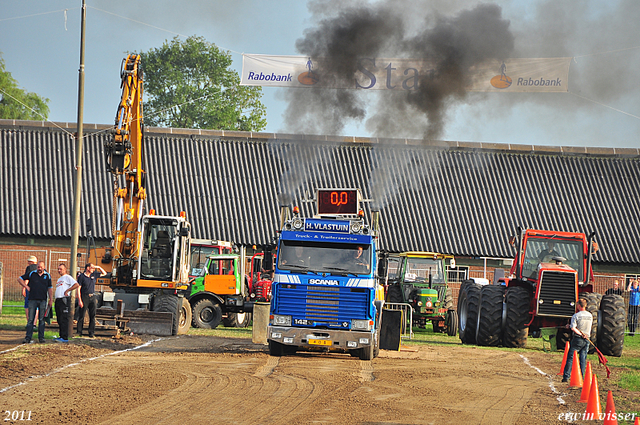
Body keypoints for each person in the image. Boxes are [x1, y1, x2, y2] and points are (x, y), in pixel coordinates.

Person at [18, 261, 53, 344]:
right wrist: (26, 287)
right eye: (38, 267)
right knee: (30, 320)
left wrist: (51, 299)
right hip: (32, 300)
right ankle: (28, 337)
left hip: (43, 300)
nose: (39, 268)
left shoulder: (47, 276)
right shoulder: (32, 274)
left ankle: (41, 337)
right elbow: (19, 279)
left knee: (41, 320)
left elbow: (50, 288)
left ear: (44, 267)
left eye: (41, 267)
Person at [562, 298, 593, 383]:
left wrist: (579, 333)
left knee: (571, 357)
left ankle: (566, 376)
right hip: (587, 338)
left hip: (578, 339)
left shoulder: (576, 315)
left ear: (579, 306)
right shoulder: (590, 315)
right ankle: (581, 377)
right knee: (583, 358)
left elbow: (573, 328)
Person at [77, 263, 106, 338]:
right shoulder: (82, 277)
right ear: (87, 268)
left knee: (92, 315)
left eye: (93, 268)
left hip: (92, 296)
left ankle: (91, 332)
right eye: (92, 268)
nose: (93, 269)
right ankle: (79, 332)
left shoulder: (94, 275)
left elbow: (104, 273)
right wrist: (80, 300)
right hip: (85, 296)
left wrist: (98, 266)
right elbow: (78, 288)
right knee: (81, 315)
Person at [54, 264, 79, 342]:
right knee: (59, 318)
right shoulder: (59, 279)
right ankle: (61, 335)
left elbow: (76, 284)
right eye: (58, 269)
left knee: (64, 318)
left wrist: (68, 290)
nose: (59, 270)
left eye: (61, 269)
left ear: (65, 269)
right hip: (58, 300)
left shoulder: (67, 277)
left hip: (64, 300)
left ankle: (64, 337)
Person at [18, 255, 38, 321]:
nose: (28, 263)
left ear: (31, 262)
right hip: (38, 289)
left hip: (30, 288)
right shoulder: (39, 268)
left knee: (27, 304)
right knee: (37, 305)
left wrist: (24, 287)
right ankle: (34, 322)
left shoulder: (29, 268)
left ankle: (29, 321)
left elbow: (27, 279)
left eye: (29, 261)